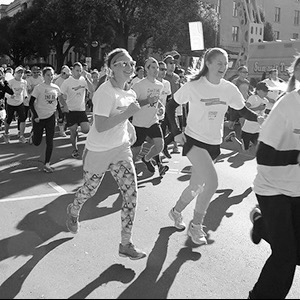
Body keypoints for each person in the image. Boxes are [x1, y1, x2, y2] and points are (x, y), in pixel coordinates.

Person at [166, 47, 264, 245]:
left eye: (226, 63)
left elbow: (243, 111)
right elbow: (170, 105)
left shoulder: (228, 89)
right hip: (194, 141)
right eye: (219, 62)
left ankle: (175, 212)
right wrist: (176, 133)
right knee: (211, 183)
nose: (223, 66)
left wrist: (262, 119)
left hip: (213, 144)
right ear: (208, 63)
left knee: (196, 186)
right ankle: (196, 226)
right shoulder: (194, 85)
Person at [65, 48, 146, 260]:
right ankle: (73, 210)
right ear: (112, 69)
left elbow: (120, 117)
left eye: (131, 63)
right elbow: (100, 125)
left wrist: (129, 126)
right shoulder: (104, 92)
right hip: (99, 150)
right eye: (124, 64)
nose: (130, 67)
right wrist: (128, 114)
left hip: (121, 149)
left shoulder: (130, 93)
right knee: (89, 190)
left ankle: (126, 243)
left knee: (131, 195)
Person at [248, 55, 300, 299]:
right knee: (286, 256)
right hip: (272, 188)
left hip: (298, 189)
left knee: (296, 253)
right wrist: (297, 156)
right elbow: (264, 155)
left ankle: (261, 223)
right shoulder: (287, 105)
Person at [130, 57, 165, 175]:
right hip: (139, 123)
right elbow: (132, 104)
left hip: (153, 121)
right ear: (146, 69)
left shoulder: (160, 85)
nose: (156, 70)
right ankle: (131, 171)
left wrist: (160, 107)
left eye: (157, 68)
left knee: (160, 146)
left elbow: (157, 100)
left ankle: (146, 158)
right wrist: (147, 101)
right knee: (136, 151)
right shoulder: (139, 85)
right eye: (153, 67)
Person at [29, 67, 63, 173]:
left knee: (50, 141)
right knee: (37, 142)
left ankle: (47, 163)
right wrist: (35, 116)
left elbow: (56, 103)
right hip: (39, 117)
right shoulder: (39, 88)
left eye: (52, 75)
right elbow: (31, 103)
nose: (50, 77)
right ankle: (33, 134)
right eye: (48, 75)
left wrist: (61, 115)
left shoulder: (56, 88)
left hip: (50, 117)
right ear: (43, 76)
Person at [59, 62, 94, 159]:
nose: (79, 73)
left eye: (80, 71)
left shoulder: (83, 80)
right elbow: (60, 94)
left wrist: (87, 78)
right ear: (72, 71)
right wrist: (64, 105)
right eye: (77, 70)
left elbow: (92, 90)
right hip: (71, 110)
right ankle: (75, 149)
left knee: (86, 130)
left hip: (81, 110)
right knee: (73, 132)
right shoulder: (67, 82)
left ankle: (78, 126)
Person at [240, 81, 269, 152]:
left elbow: (262, 113)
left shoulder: (266, 101)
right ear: (258, 91)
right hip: (248, 129)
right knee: (244, 149)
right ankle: (232, 138)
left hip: (257, 129)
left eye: (267, 91)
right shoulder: (253, 98)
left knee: (259, 148)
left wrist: (265, 116)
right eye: (264, 91)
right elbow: (244, 110)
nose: (266, 92)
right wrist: (258, 108)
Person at [163, 54, 181, 159]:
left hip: (173, 107)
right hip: (162, 108)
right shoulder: (161, 77)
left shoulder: (176, 77)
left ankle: (166, 145)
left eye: (174, 63)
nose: (172, 65)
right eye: (170, 63)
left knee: (175, 129)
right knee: (161, 130)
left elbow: (178, 91)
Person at [3, 66, 28, 144]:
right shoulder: (10, 82)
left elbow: (24, 91)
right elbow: (5, 93)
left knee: (23, 118)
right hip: (10, 103)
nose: (20, 74)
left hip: (20, 103)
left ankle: (21, 136)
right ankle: (6, 134)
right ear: (15, 73)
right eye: (18, 72)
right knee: (9, 119)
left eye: (21, 72)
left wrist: (26, 97)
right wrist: (11, 96)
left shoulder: (24, 82)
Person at [53, 65, 72, 137]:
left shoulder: (69, 79)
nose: (68, 76)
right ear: (63, 73)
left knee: (67, 115)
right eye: (66, 74)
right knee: (61, 115)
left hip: (68, 100)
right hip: (60, 100)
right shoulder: (58, 81)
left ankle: (66, 128)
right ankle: (61, 131)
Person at [0, 68, 13, 133]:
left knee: (3, 117)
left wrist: (5, 82)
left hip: (1, 107)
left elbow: (11, 92)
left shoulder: (3, 85)